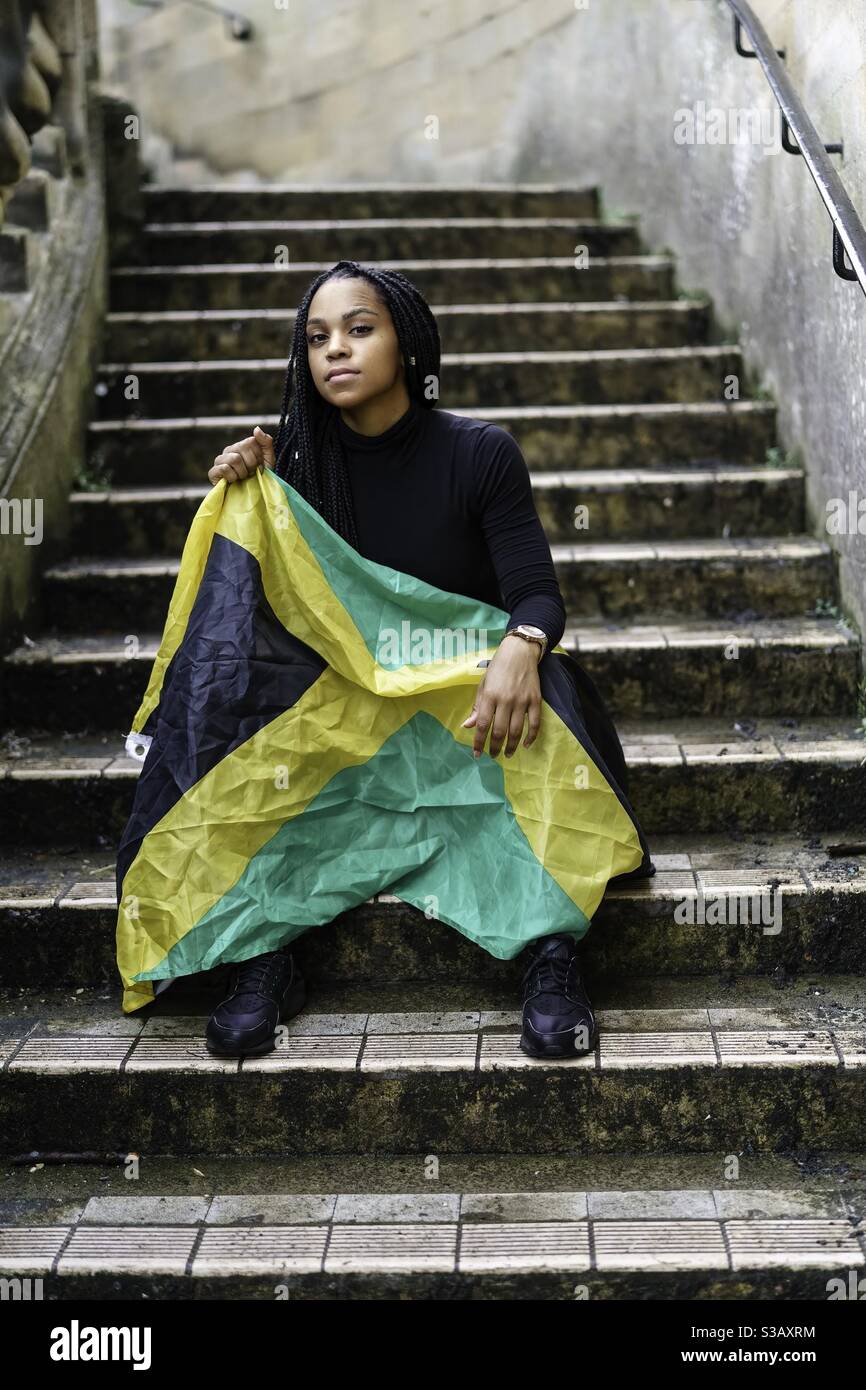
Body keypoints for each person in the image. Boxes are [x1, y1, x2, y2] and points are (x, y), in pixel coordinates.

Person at [200, 258, 652, 1061]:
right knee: (243, 705)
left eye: (359, 328)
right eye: (317, 338)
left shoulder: (479, 453)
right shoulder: (293, 471)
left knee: (544, 686)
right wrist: (247, 486)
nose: (335, 350)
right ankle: (263, 953)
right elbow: (250, 620)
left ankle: (550, 954)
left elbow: (538, 593)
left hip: (464, 706)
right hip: (356, 712)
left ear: (405, 343)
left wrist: (521, 645)